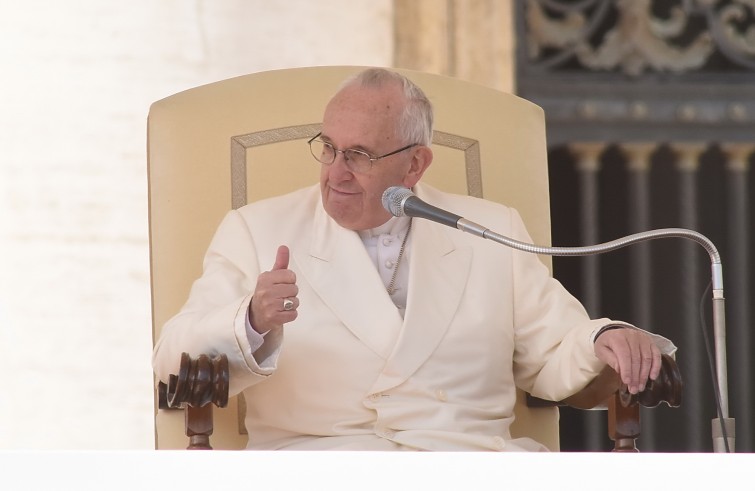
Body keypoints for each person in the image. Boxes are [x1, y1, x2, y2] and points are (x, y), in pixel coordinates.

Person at [152, 67, 675, 451]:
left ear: (415, 164)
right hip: (320, 469)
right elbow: (172, 358)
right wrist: (251, 319)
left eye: (359, 155)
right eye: (329, 148)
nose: (335, 173)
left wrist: (606, 339)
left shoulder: (490, 229)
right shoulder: (257, 229)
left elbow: (557, 348)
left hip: (468, 465)